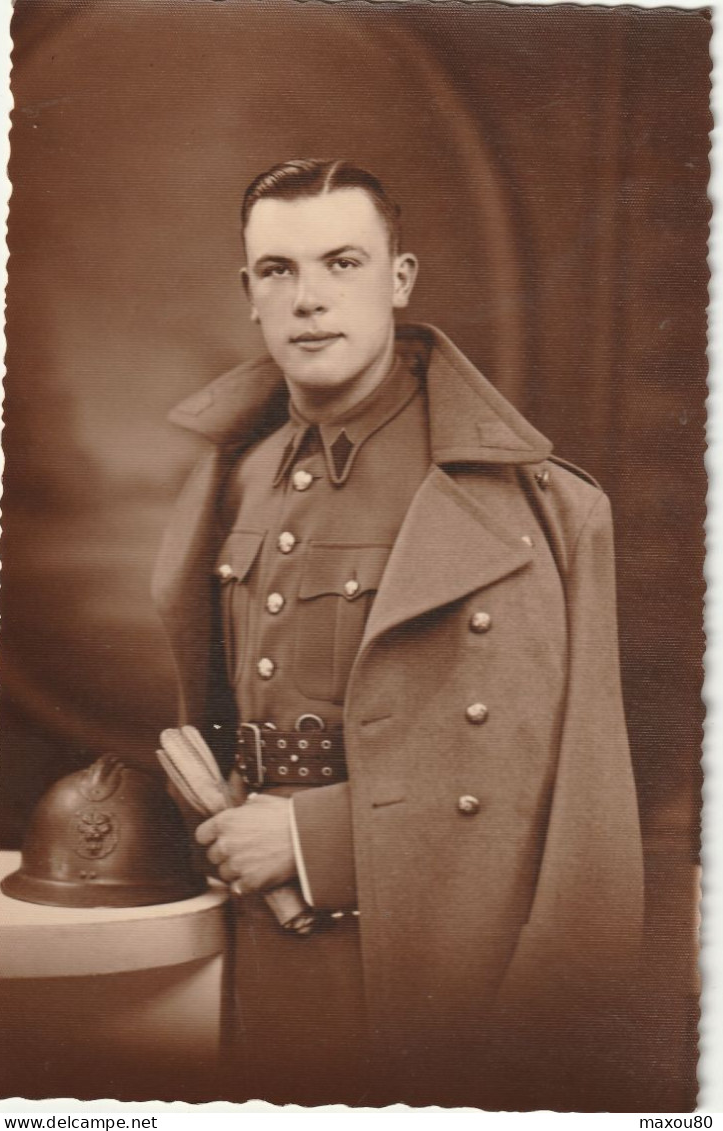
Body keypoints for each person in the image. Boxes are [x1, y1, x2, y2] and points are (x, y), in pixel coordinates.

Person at [152, 158, 644, 1108]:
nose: (309, 300)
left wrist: (307, 839)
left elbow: (527, 780)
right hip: (251, 947)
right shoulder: (236, 477)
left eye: (342, 262)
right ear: (248, 294)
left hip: (436, 964)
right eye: (279, 271)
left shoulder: (526, 508)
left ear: (400, 278)